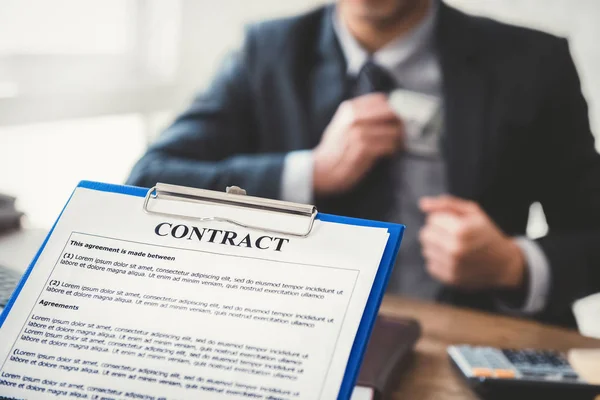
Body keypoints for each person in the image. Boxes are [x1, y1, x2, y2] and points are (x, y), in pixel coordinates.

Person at [127, 0, 600, 327]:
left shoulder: (534, 63)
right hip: (294, 334)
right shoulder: (264, 52)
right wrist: (309, 173)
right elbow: (149, 181)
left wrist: (515, 265)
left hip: (476, 340)